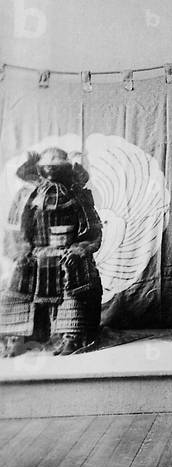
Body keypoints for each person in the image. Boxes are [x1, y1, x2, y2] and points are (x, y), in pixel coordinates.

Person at [1, 148, 103, 357]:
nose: (52, 169)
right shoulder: (26, 194)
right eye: (48, 165)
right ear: (39, 168)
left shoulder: (78, 194)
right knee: (18, 283)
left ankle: (72, 336)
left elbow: (93, 231)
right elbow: (15, 229)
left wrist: (79, 249)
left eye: (57, 165)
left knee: (75, 283)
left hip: (68, 252)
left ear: (67, 167)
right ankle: (17, 336)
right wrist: (22, 253)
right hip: (35, 252)